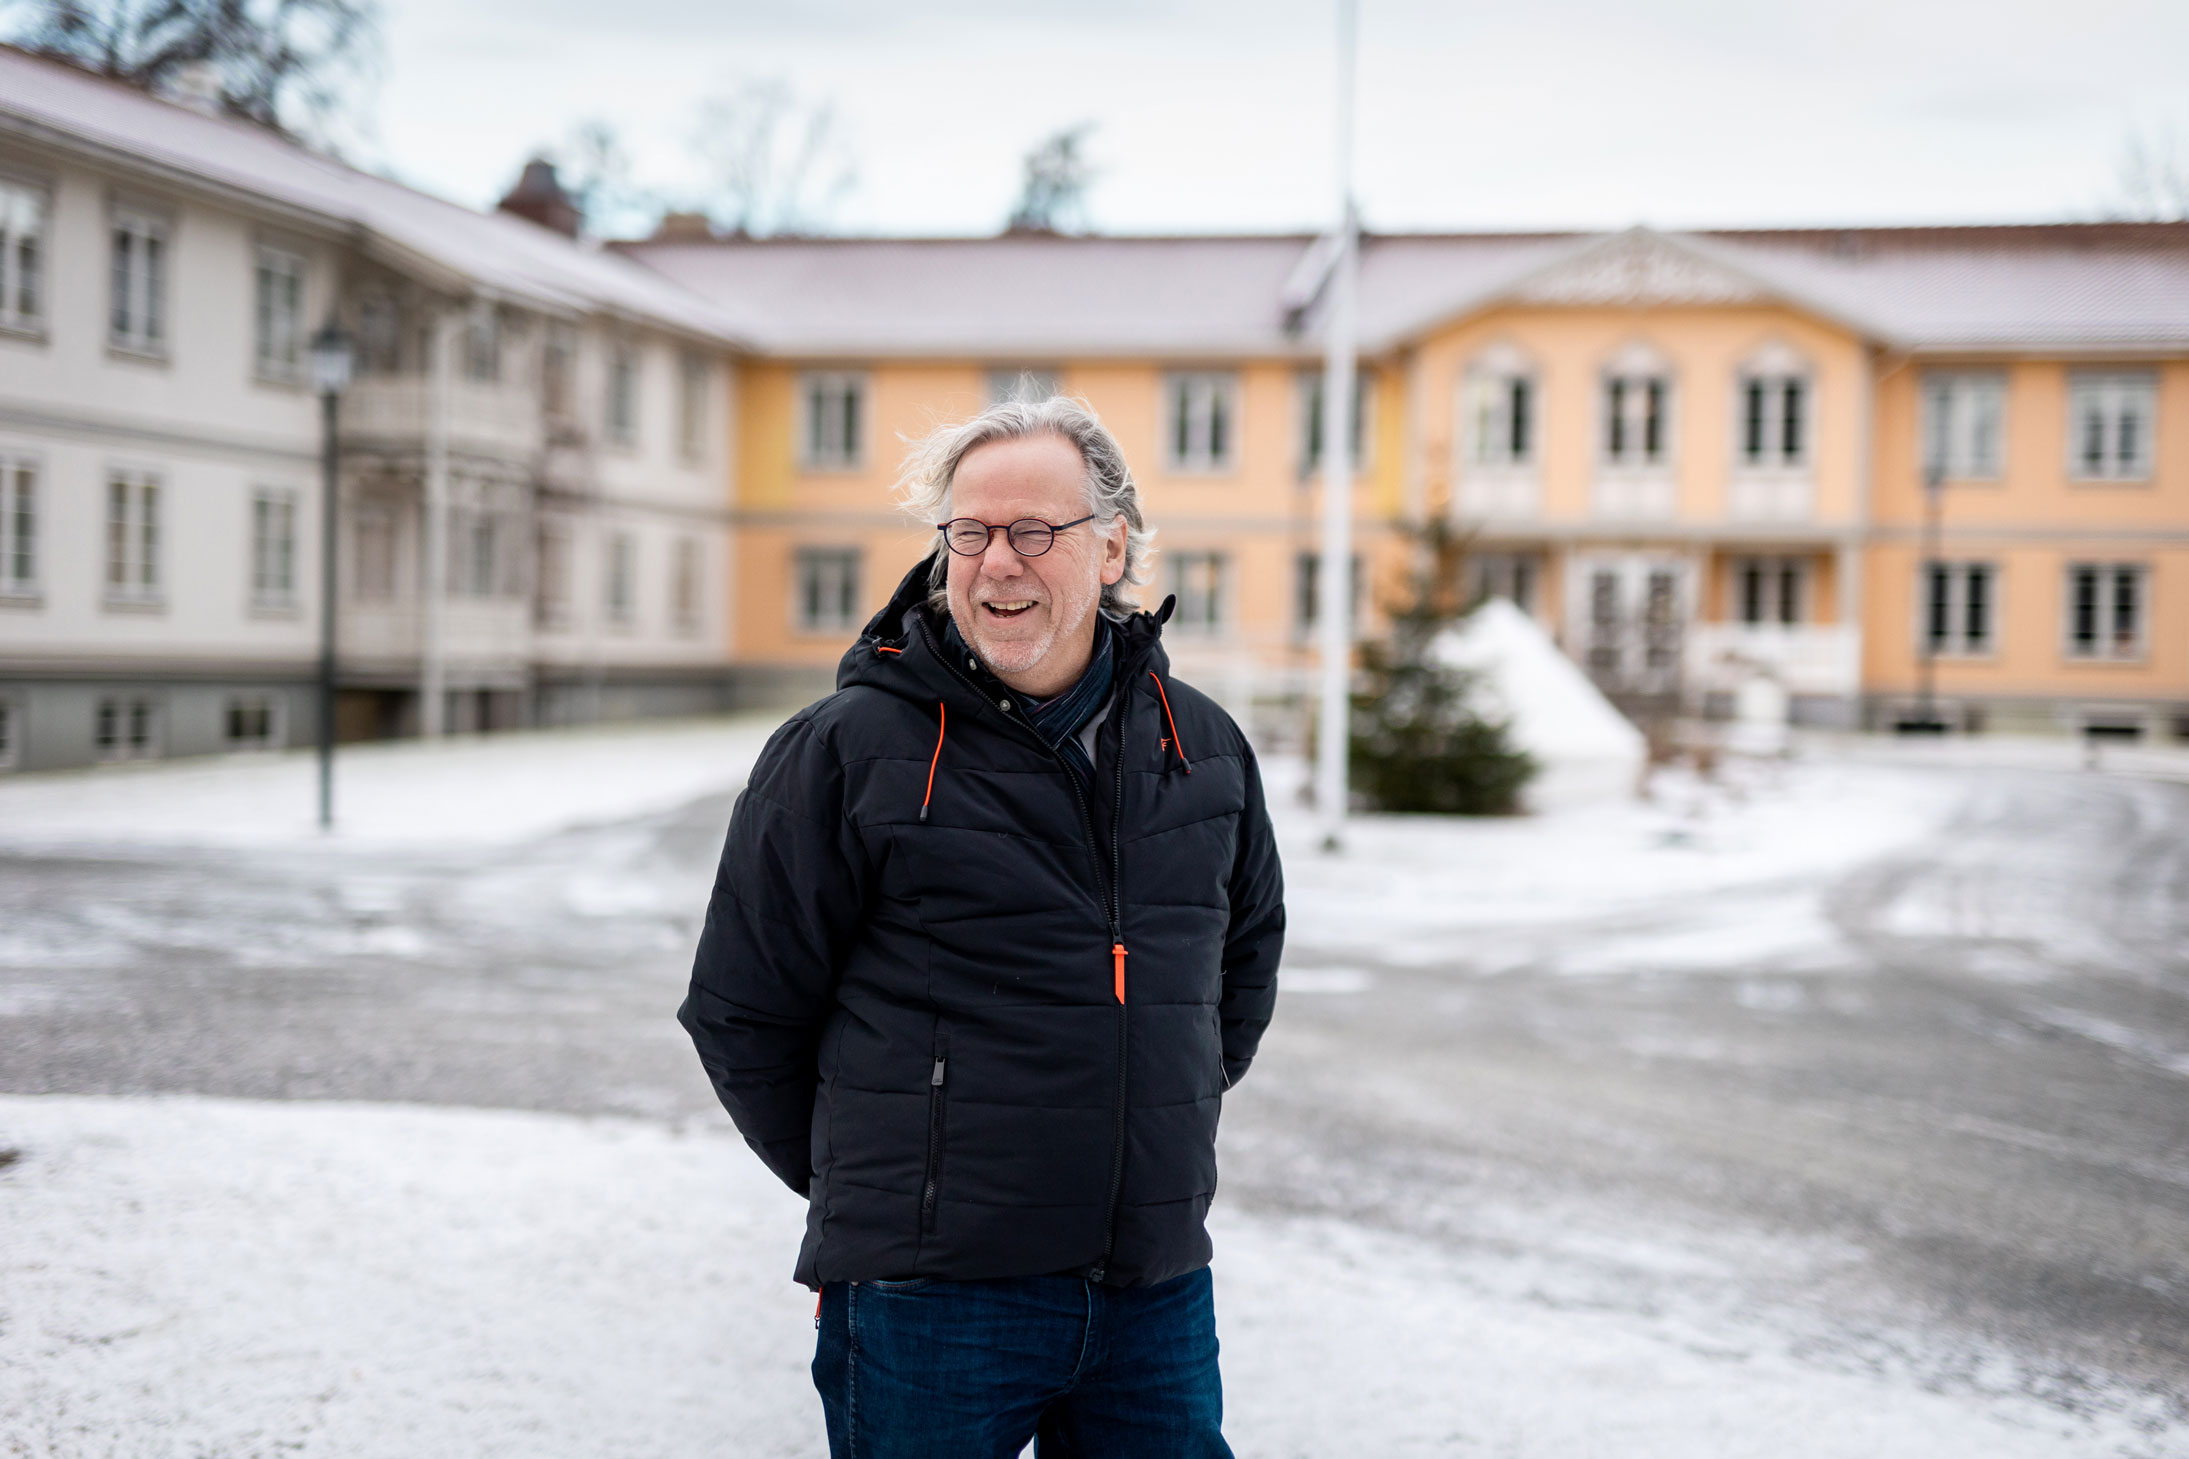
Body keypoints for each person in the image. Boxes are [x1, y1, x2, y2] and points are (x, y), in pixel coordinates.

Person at [678, 396, 1286, 1458]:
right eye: (969, 532)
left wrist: (1132, 1122)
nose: (995, 563)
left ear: (1110, 548)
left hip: (1151, 1290)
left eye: (1033, 532)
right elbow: (741, 1010)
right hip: (930, 1304)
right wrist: (886, 1195)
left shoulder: (1202, 746)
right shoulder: (845, 750)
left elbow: (1238, 971)